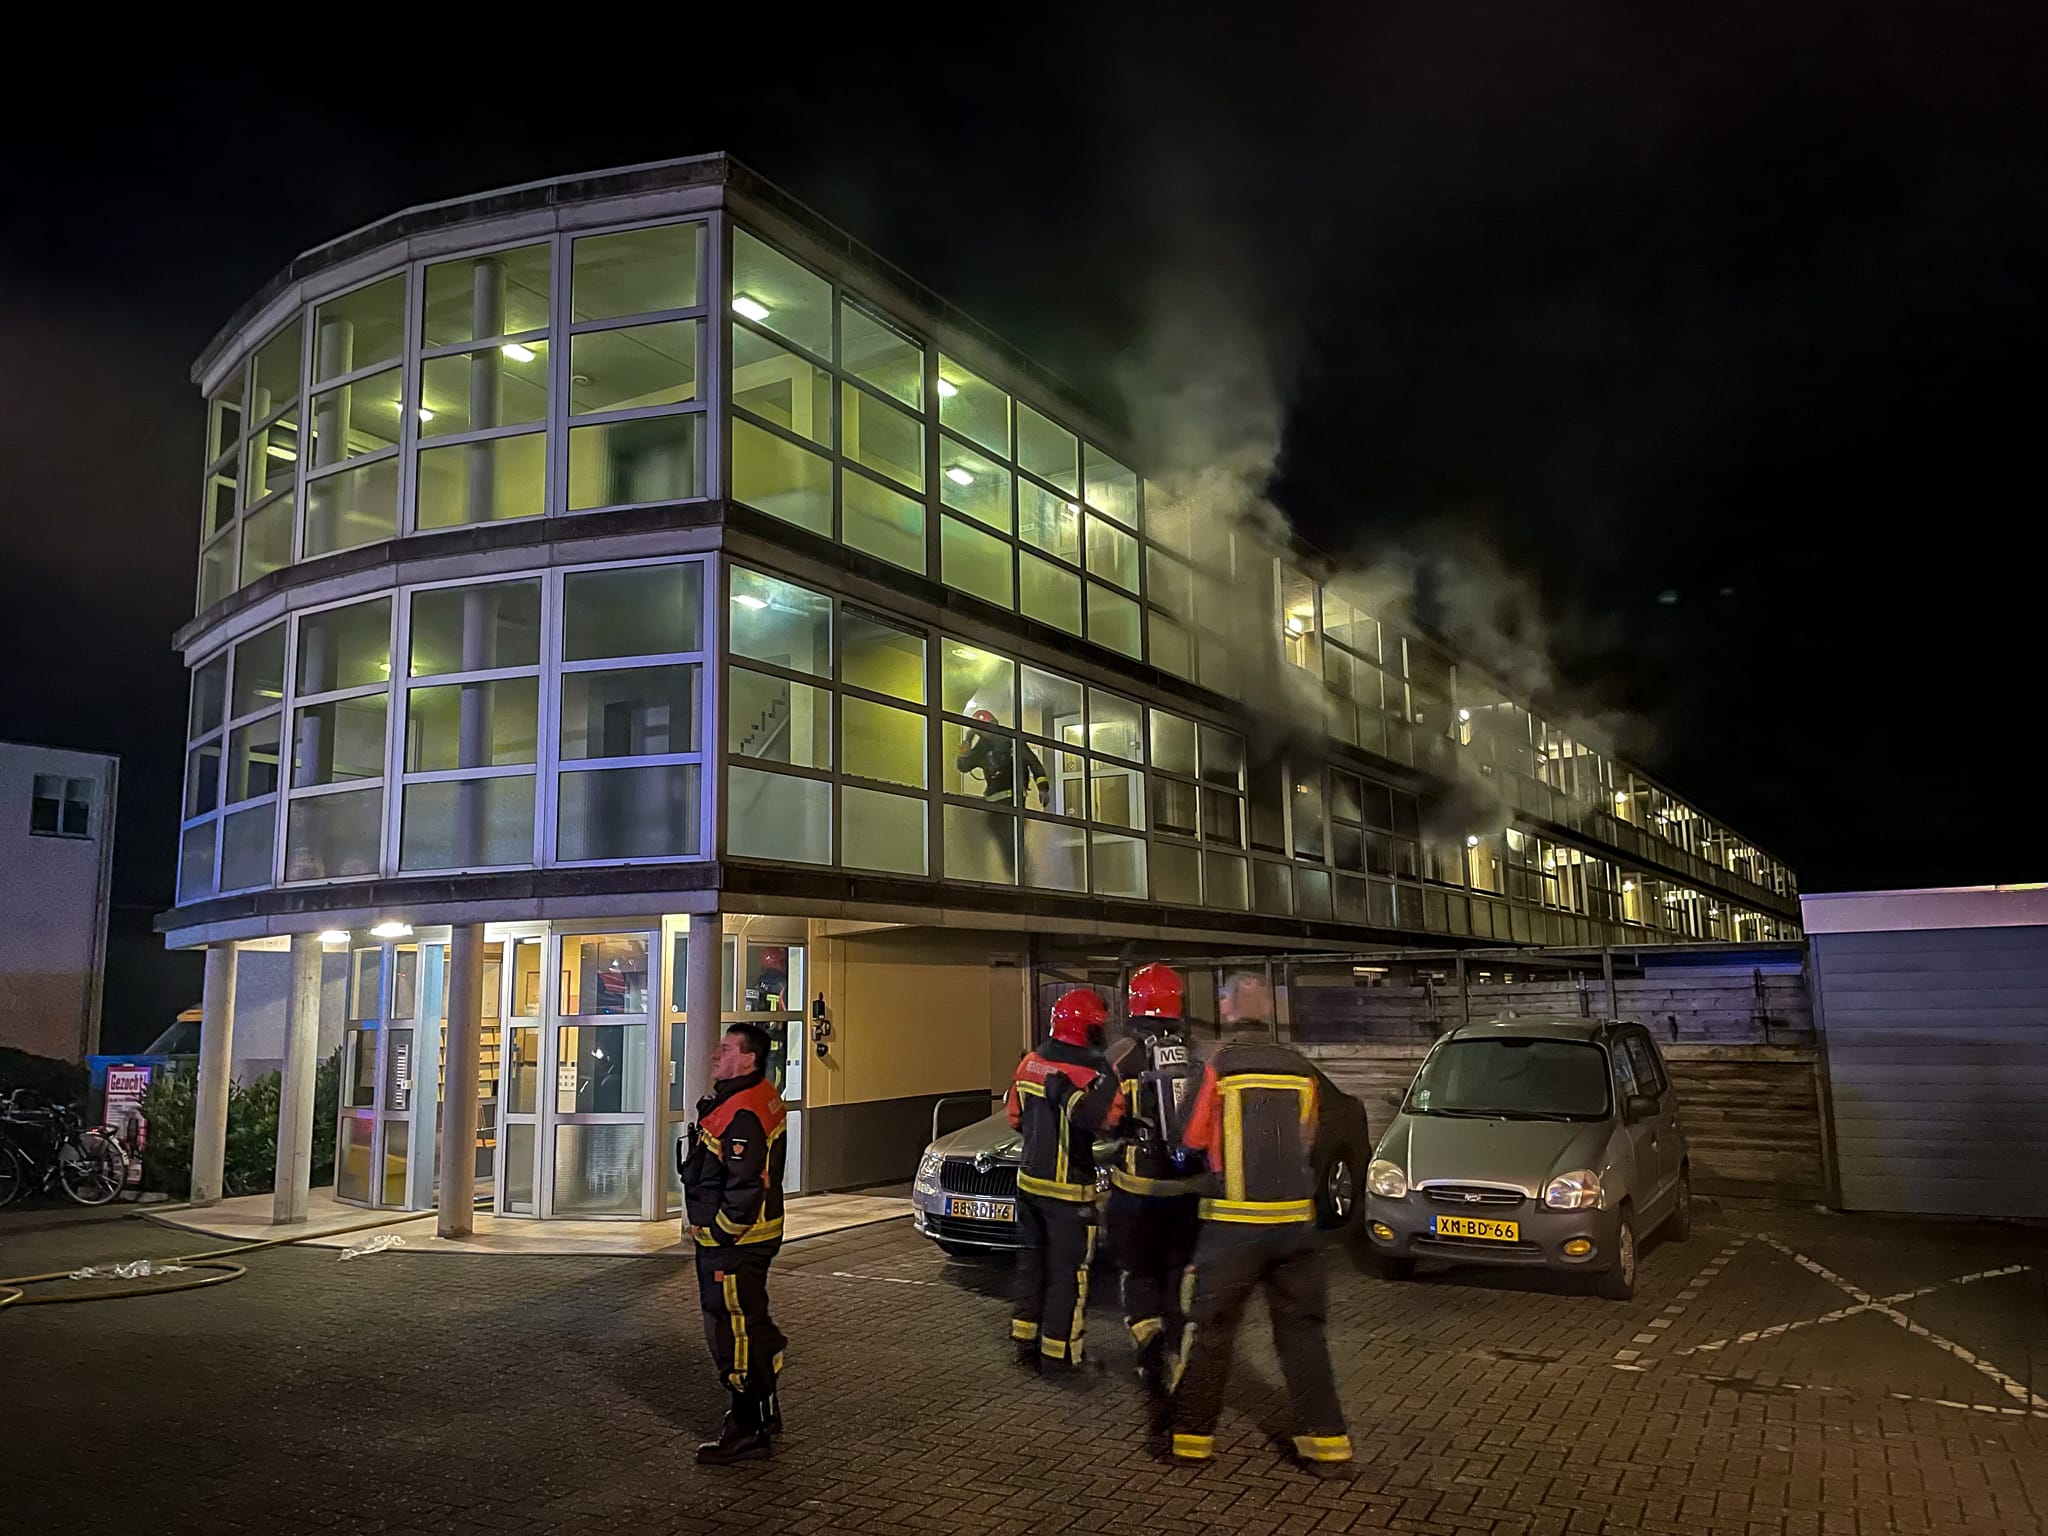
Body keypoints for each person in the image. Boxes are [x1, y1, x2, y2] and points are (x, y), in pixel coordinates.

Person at [1170, 973, 1350, 1468]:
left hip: (1233, 1226)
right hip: (1295, 1225)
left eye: (1224, 997)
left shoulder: (1219, 1067)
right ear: (1267, 1011)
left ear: (1229, 1009)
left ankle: (1191, 1440)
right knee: (1303, 1332)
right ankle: (1328, 1445)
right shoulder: (1300, 1069)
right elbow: (1308, 1138)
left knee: (1212, 1331)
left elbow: (1188, 1141)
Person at [679, 1022, 788, 1464]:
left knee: (733, 1329)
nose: (714, 1055)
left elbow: (745, 1186)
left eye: (725, 1049)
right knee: (751, 1323)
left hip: (736, 1244)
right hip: (748, 1239)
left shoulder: (742, 1109)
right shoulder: (754, 1096)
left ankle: (745, 1428)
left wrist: (719, 1232)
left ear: (749, 1059)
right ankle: (764, 1407)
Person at [1103, 962, 1206, 1397]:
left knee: (1139, 1272)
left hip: (1138, 1192)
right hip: (1187, 1189)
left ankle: (1150, 1354)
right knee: (1179, 1272)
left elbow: (1105, 1119)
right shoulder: (1195, 1054)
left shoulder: (1122, 1055)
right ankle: (1182, 1357)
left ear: (1135, 1002)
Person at [1006, 987, 1122, 1371]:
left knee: (1032, 1265)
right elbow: (1109, 1123)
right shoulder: (1094, 1070)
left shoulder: (1030, 1063)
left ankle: (1025, 1340)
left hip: (1028, 1185)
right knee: (1068, 1275)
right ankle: (1061, 1353)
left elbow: (1015, 1119)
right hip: (1070, 1191)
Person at [955, 705, 1050, 879]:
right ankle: (1016, 872)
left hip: (1012, 799)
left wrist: (1043, 789)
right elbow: (963, 766)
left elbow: (1034, 764)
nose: (987, 732)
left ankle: (1022, 873)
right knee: (1000, 836)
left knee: (1011, 838)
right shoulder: (982, 747)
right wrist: (967, 739)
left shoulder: (1012, 740)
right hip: (993, 802)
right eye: (981, 730)